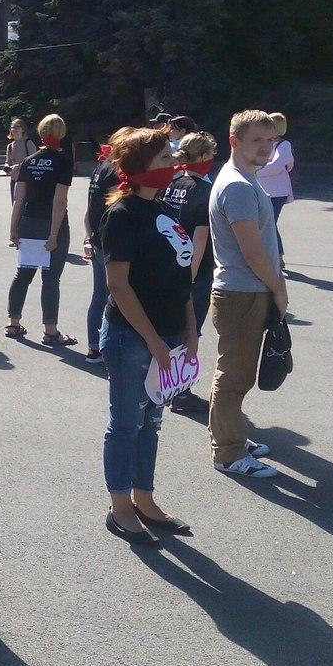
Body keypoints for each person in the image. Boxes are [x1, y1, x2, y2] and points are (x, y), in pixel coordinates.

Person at [97, 126, 197, 546]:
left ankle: (145, 498)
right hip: (131, 338)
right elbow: (119, 286)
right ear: (138, 167)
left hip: (169, 336)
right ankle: (120, 508)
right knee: (126, 423)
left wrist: (189, 330)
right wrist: (155, 340)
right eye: (163, 159)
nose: (172, 165)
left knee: (152, 421)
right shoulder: (121, 215)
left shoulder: (166, 212)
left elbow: (180, 279)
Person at [207, 109, 285, 479]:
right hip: (242, 293)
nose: (266, 148)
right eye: (257, 140)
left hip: (245, 291)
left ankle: (231, 435)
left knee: (237, 374)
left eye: (270, 141)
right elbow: (252, 252)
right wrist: (279, 288)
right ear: (234, 140)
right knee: (234, 376)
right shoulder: (237, 185)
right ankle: (229, 453)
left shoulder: (243, 179)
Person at [6, 113, 76, 346]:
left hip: (28, 222)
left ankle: (14, 324)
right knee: (51, 279)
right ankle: (50, 331)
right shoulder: (63, 160)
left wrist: (13, 229)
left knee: (23, 274)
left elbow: (19, 198)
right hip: (51, 224)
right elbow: (60, 201)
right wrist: (54, 234)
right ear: (61, 133)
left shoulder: (29, 160)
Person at [164, 131, 218, 414]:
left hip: (167, 265)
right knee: (190, 332)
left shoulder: (171, 184)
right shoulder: (204, 192)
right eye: (210, 154)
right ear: (201, 157)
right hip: (193, 274)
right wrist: (191, 280)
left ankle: (167, 384)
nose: (212, 159)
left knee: (171, 330)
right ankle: (180, 391)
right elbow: (199, 241)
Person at [82, 139, 120, 363]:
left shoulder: (99, 168)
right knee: (113, 294)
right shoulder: (115, 170)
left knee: (99, 295)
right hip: (109, 240)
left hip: (97, 238)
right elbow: (116, 206)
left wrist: (88, 237)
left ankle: (93, 347)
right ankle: (105, 346)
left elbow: (89, 209)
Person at [256, 112, 295, 264]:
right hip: (262, 189)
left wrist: (256, 170)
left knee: (269, 223)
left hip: (277, 192)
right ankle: (274, 255)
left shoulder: (284, 145)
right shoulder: (263, 143)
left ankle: (277, 256)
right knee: (265, 223)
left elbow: (277, 166)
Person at [2, 118, 36, 200]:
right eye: (13, 127)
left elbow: (34, 161)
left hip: (27, 180)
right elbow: (8, 162)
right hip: (14, 179)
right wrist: (7, 167)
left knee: (25, 205)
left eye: (17, 127)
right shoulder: (10, 146)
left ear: (23, 129)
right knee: (15, 205)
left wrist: (18, 166)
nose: (14, 129)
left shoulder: (28, 143)